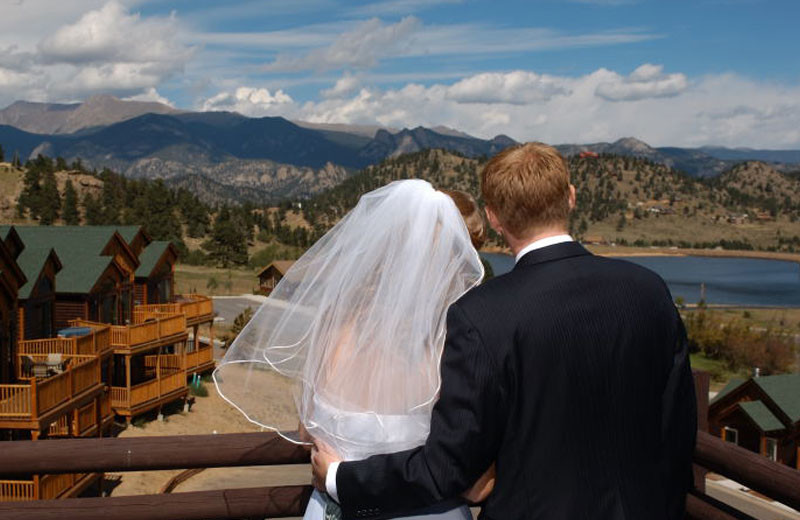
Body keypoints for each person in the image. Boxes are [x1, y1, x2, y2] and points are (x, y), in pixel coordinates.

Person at [312, 143, 697, 520]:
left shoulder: (482, 314)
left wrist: (339, 478)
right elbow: (677, 427)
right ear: (572, 197)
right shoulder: (648, 289)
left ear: (494, 218)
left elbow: (450, 464)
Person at [214, 179, 491, 520]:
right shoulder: (452, 346)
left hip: (332, 507)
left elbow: (306, 430)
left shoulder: (334, 326)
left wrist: (339, 466)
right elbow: (477, 486)